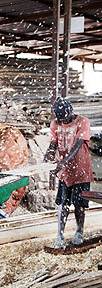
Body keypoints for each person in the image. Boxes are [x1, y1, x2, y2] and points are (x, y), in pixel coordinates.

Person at [44, 97, 94, 248]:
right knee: (63, 204)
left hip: (80, 170)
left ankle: (79, 231)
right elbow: (53, 143)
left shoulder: (82, 122)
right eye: (60, 119)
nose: (63, 122)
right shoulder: (55, 123)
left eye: (65, 119)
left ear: (71, 112)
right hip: (65, 173)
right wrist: (50, 153)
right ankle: (60, 235)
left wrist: (63, 161)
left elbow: (77, 146)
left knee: (79, 204)